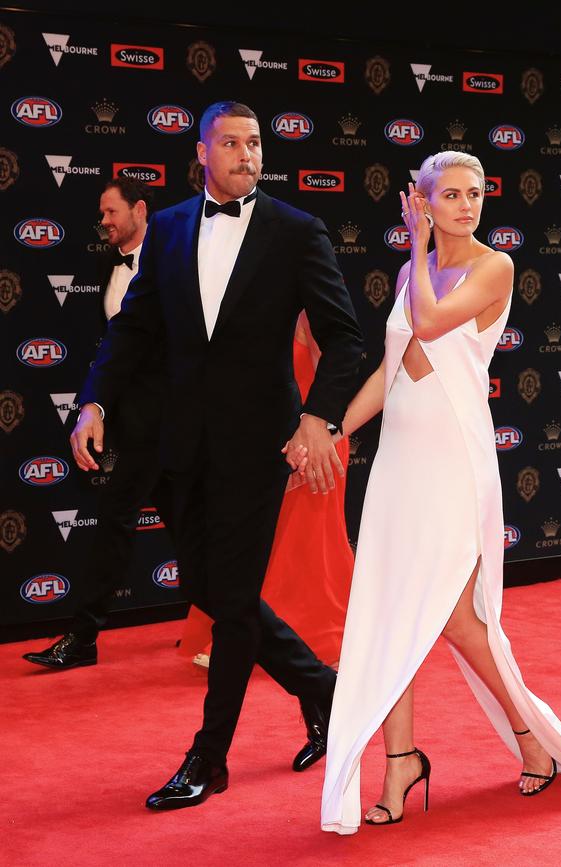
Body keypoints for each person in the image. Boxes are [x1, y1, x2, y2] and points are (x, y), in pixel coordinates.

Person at [317, 153, 561, 835]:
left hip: (452, 458)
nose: (467, 205)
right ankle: (400, 760)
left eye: (476, 194)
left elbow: (433, 326)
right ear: (426, 199)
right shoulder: (415, 273)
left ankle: (529, 735)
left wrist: (414, 239)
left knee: (455, 619)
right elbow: (391, 368)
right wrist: (330, 431)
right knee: (389, 609)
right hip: (399, 461)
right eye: (452, 195)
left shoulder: (493, 266)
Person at [69, 101, 363, 812]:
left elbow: (345, 337)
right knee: (217, 590)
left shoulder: (297, 232)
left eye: (254, 142)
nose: (246, 153)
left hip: (257, 449)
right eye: (230, 142)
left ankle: (210, 756)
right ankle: (321, 687)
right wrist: (94, 401)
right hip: (180, 447)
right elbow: (132, 332)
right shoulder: (167, 227)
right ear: (202, 153)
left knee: (230, 605)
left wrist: (319, 418)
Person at [23, 177, 175, 670]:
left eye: (112, 212)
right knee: (123, 524)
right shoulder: (107, 268)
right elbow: (112, 353)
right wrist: (100, 408)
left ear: (140, 210)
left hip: (180, 422)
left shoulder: (175, 258)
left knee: (188, 528)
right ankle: (85, 635)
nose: (104, 222)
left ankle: (235, 628)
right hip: (133, 425)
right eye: (102, 214)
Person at [181, 310, 354, 672]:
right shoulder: (262, 299)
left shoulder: (311, 307)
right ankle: (255, 636)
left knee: (303, 547)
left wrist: (315, 440)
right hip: (271, 437)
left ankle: (298, 640)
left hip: (314, 438)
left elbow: (334, 375)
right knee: (266, 542)